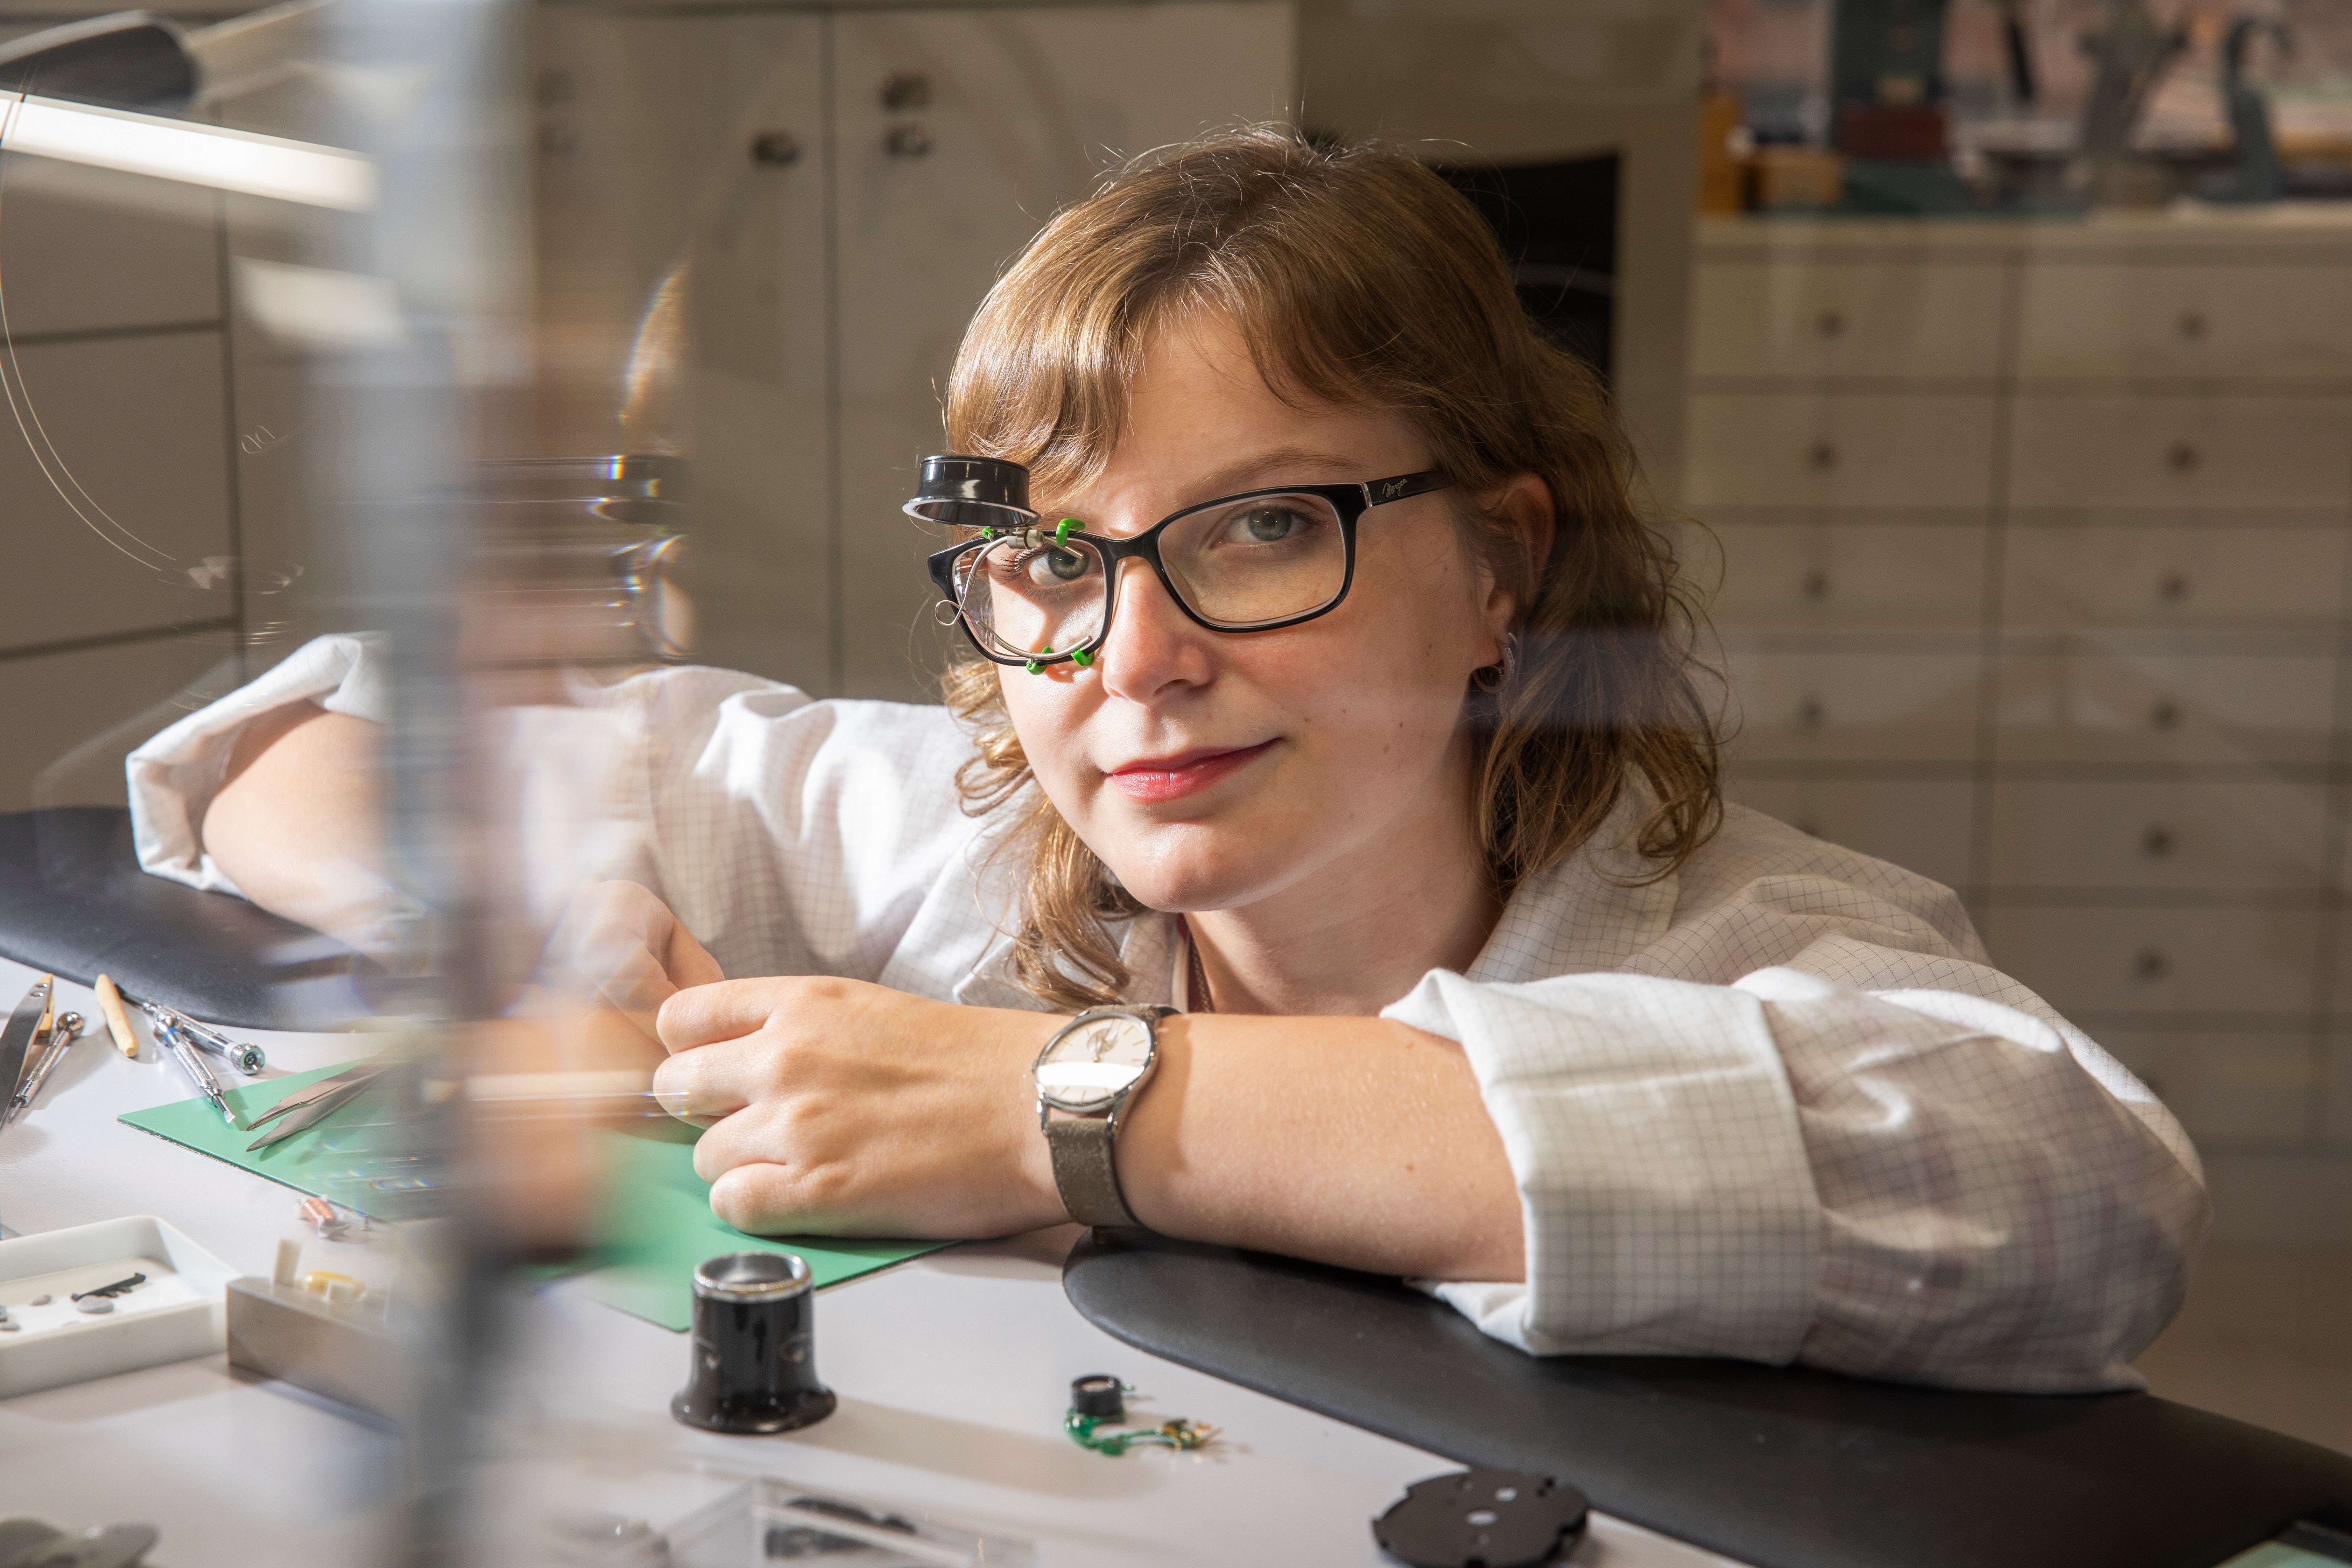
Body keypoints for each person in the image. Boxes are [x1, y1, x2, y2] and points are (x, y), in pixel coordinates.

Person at [128, 127, 2206, 1393]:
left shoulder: (1727, 939)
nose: (1135, 659)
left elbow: (2069, 1198)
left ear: (1503, 561)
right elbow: (307, 748)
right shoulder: (983, 852)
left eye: (1259, 529)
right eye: (1047, 558)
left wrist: (1054, 1107)